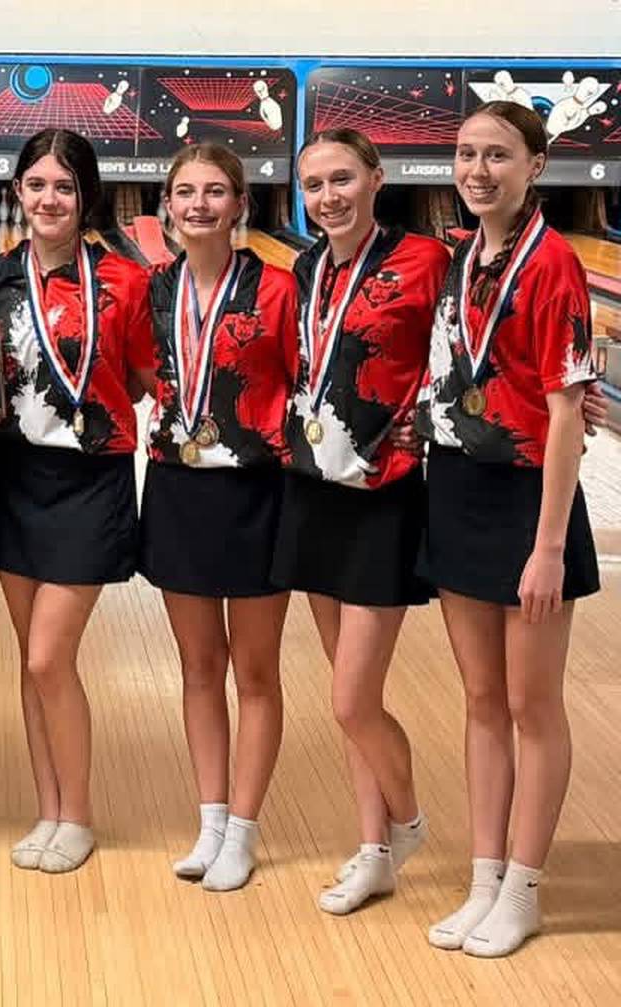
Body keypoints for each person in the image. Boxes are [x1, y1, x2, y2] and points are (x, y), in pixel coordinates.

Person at [416, 101, 599, 958]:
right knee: (482, 700)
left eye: (497, 155)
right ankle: (484, 876)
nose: (477, 170)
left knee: (531, 705)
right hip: (456, 486)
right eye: (465, 154)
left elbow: (567, 415)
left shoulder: (554, 262)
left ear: (535, 166)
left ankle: (524, 884)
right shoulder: (458, 255)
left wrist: (550, 545)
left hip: (531, 503)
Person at [271, 128, 450, 914]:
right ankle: (371, 847)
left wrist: (435, 418)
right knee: (347, 691)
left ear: (377, 179)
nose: (328, 196)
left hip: (386, 491)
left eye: (342, 178)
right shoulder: (306, 268)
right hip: (315, 486)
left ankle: (405, 820)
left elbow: (472, 351)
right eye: (313, 185)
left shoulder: (427, 262)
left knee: (352, 697)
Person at [0, 128, 149, 873]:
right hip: (13, 478)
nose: (49, 198)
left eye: (65, 186)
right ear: (17, 191)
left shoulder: (124, 281)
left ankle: (75, 812)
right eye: (37, 184)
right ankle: (46, 808)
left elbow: (144, 374)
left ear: (86, 197)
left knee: (52, 656)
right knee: (30, 659)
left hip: (90, 480)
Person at [135, 143, 297, 892]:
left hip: (259, 493)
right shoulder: (152, 289)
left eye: (215, 191)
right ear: (166, 203)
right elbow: (137, 372)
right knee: (199, 667)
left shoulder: (280, 289)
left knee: (255, 672)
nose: (197, 204)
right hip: (177, 490)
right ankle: (209, 820)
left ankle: (245, 827)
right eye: (184, 191)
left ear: (239, 204)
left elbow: (315, 373)